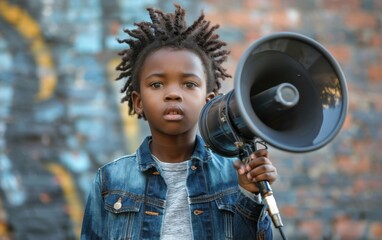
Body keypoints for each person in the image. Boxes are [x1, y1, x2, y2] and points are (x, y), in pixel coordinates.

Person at [81, 4, 277, 240]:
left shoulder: (236, 176)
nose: (173, 94)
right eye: (157, 84)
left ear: (209, 102)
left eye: (189, 84)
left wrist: (250, 194)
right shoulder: (109, 181)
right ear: (138, 101)